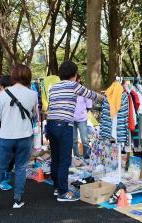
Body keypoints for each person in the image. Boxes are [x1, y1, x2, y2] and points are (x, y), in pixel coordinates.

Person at [0, 64, 38, 211]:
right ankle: (17, 200)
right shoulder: (32, 94)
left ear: (13, 76)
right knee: (20, 168)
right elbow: (34, 115)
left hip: (6, 136)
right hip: (25, 136)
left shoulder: (3, 94)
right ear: (28, 76)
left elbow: (0, 116)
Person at [46, 61, 103, 202]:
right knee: (65, 160)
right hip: (64, 125)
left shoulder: (53, 88)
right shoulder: (74, 85)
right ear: (74, 74)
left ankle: (56, 187)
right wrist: (107, 99)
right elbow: (92, 95)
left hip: (51, 124)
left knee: (56, 157)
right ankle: (63, 193)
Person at [73, 75, 93, 159]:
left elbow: (89, 105)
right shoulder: (69, 90)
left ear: (79, 80)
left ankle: (87, 157)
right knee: (73, 140)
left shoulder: (84, 91)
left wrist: (83, 112)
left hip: (82, 119)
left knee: (84, 139)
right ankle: (76, 156)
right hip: (71, 119)